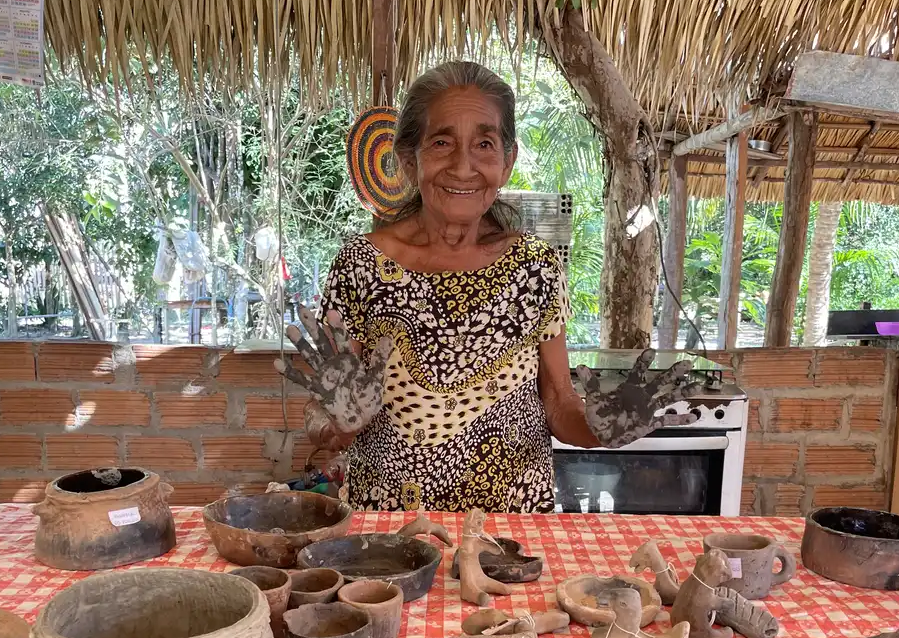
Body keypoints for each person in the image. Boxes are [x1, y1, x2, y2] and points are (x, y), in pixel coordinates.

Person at [276, 61, 694, 513]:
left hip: (511, 526)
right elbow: (326, 414)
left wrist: (600, 430)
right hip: (391, 529)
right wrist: (337, 424)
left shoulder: (535, 267)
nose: (463, 167)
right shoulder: (361, 265)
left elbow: (559, 401)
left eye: (484, 144)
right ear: (409, 160)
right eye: (442, 143)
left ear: (507, 161)